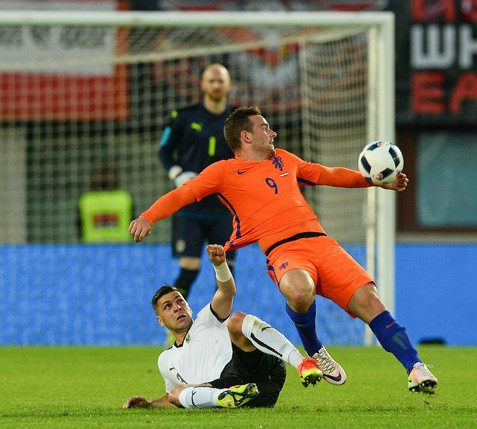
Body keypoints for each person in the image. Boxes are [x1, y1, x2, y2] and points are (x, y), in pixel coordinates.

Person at [129, 106, 438, 394]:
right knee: (299, 290)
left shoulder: (287, 160)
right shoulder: (223, 171)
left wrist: (373, 182)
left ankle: (415, 367)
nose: (273, 133)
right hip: (284, 251)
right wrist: (148, 216)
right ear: (246, 136)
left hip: (322, 243)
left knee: (371, 302)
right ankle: (314, 349)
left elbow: (327, 174)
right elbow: (184, 193)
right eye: (265, 128)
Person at [123, 244, 323, 410]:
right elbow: (173, 398)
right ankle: (225, 397)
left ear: (189, 306)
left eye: (180, 301)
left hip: (252, 365)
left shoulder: (206, 318)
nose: (177, 308)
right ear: (161, 320)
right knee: (177, 393)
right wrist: (148, 405)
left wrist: (220, 265)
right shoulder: (165, 360)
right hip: (250, 390)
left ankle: (301, 363)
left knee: (236, 320)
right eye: (168, 306)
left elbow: (227, 292)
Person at [158, 63, 236, 298]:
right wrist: (177, 174)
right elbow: (164, 151)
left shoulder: (238, 121)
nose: (215, 85)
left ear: (228, 85)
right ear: (202, 84)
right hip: (190, 207)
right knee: (189, 270)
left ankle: (217, 327)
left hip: (225, 208)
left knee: (225, 273)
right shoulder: (183, 117)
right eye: (211, 80)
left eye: (220, 81)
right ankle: (175, 327)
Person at [78, 164, 134, 243]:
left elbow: (79, 227)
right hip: (122, 247)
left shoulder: (86, 200)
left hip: (91, 248)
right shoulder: (125, 198)